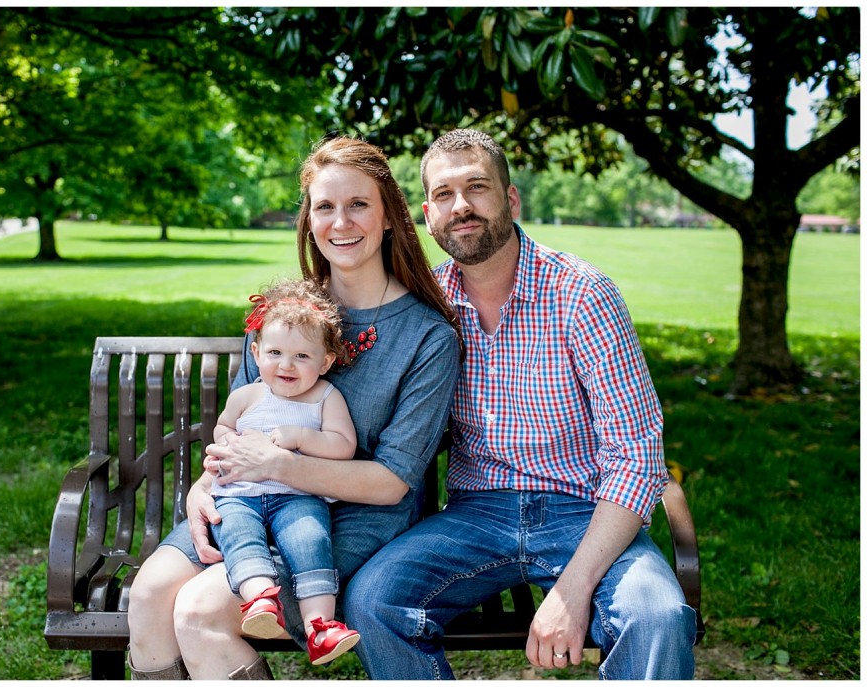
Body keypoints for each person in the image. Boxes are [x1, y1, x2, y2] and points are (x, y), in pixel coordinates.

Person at [343, 128, 698, 680]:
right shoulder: (430, 307)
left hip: (584, 509)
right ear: (427, 215)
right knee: (372, 601)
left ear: (510, 199)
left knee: (656, 615)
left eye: (477, 187)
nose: (461, 207)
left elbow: (636, 457)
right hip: (474, 513)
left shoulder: (582, 294)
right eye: (443, 194)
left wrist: (572, 591)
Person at [125, 136, 461, 680]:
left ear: (390, 216)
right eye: (324, 206)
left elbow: (394, 482)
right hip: (249, 497)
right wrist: (205, 486)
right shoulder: (284, 315)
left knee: (201, 612)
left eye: (358, 204)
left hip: (356, 515)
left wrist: (280, 465)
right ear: (308, 219)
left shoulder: (427, 337)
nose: (340, 222)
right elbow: (241, 424)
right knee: (149, 593)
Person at [210, 278, 360, 665]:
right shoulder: (247, 395)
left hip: (297, 495)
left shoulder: (326, 396)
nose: (286, 365)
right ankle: (259, 599)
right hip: (239, 494)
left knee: (310, 542)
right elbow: (223, 427)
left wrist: (301, 437)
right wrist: (225, 448)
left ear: (325, 361)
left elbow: (343, 445)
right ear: (256, 354)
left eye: (301, 357)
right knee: (238, 535)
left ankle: (321, 628)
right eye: (275, 352)